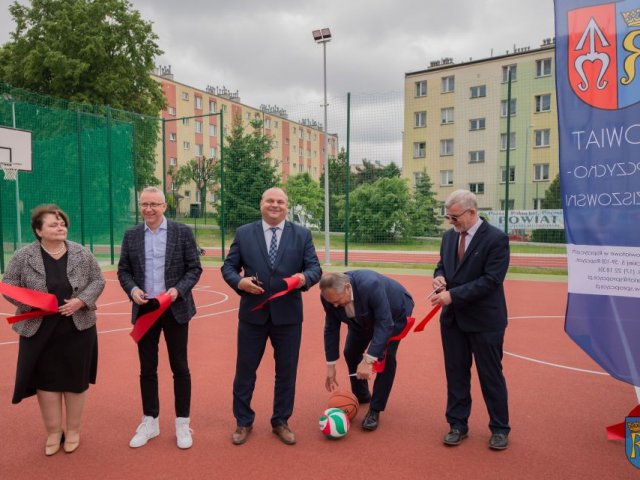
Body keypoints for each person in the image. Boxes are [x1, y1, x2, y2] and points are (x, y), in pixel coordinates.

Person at [221, 187, 321, 446]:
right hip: (252, 316)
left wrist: (304, 278)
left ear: (287, 206)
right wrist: (240, 283)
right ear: (261, 204)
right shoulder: (244, 233)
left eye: (280, 201)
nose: (275, 205)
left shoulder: (302, 234)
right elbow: (229, 267)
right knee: (245, 371)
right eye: (270, 201)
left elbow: (314, 268)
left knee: (286, 372)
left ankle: (281, 421)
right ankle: (243, 421)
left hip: (288, 318)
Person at [3, 204, 105, 456]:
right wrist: (35, 302)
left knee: (74, 381)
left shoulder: (82, 253)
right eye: (53, 224)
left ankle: (72, 431)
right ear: (39, 230)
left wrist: (81, 301)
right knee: (46, 382)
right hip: (38, 329)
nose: (60, 227)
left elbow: (98, 280)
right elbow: (8, 285)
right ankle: (52, 432)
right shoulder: (23, 256)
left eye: (62, 223)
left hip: (77, 328)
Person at [117, 187, 202, 449]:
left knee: (180, 367)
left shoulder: (182, 232)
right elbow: (124, 270)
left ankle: (182, 423)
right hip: (145, 311)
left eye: (154, 204)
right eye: (144, 204)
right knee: (147, 368)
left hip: (175, 309)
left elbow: (194, 268)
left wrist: (178, 290)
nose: (149, 209)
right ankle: (150, 421)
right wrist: (132, 290)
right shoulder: (131, 235)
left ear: (165, 206)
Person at [430, 189, 511, 450]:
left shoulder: (496, 239)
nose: (451, 223)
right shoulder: (448, 237)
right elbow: (443, 264)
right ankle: (457, 424)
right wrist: (439, 277)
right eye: (448, 217)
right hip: (453, 320)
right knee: (455, 374)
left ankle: (499, 428)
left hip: (485, 321)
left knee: (490, 375)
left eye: (454, 218)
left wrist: (453, 295)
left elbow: (491, 280)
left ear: (472, 212)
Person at [319, 270, 414, 431]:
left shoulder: (371, 285)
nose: (335, 305)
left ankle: (375, 409)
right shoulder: (329, 296)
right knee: (351, 352)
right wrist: (331, 365)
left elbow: (385, 324)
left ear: (348, 287)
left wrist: (369, 359)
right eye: (331, 302)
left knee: (385, 358)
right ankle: (361, 395)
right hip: (361, 318)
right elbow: (331, 328)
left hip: (394, 312)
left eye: (337, 301)